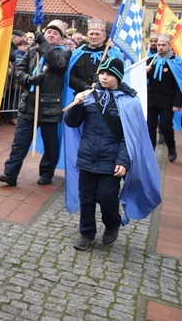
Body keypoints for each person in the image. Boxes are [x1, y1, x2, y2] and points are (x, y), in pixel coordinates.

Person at [65, 57, 161, 250]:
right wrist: (77, 104)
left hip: (111, 160)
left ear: (117, 76)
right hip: (87, 156)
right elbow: (72, 123)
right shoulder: (89, 96)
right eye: (102, 73)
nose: (104, 77)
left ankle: (112, 223)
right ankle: (87, 234)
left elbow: (130, 137)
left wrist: (123, 161)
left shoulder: (129, 101)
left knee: (107, 196)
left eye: (109, 74)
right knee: (87, 197)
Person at [0, 20, 71, 186]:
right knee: (19, 143)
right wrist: (29, 79)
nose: (51, 35)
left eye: (55, 33)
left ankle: (46, 173)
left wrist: (44, 44)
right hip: (28, 105)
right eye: (48, 32)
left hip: (50, 107)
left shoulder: (64, 53)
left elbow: (57, 64)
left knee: (51, 146)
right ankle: (10, 174)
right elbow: (19, 71)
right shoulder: (32, 51)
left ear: (61, 38)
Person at [145, 33, 182, 162]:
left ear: (169, 46)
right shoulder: (150, 60)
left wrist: (177, 103)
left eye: (163, 45)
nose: (160, 47)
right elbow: (143, 80)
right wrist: (144, 72)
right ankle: (150, 151)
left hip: (168, 101)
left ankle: (171, 147)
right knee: (150, 127)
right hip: (151, 100)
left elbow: (180, 84)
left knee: (165, 126)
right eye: (158, 45)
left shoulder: (177, 62)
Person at [67, 18, 123, 95]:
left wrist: (100, 84)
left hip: (107, 96)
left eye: (97, 34)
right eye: (91, 34)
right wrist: (84, 86)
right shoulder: (77, 53)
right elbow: (70, 76)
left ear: (104, 37)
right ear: (87, 35)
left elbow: (119, 76)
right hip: (81, 96)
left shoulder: (113, 53)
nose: (94, 37)